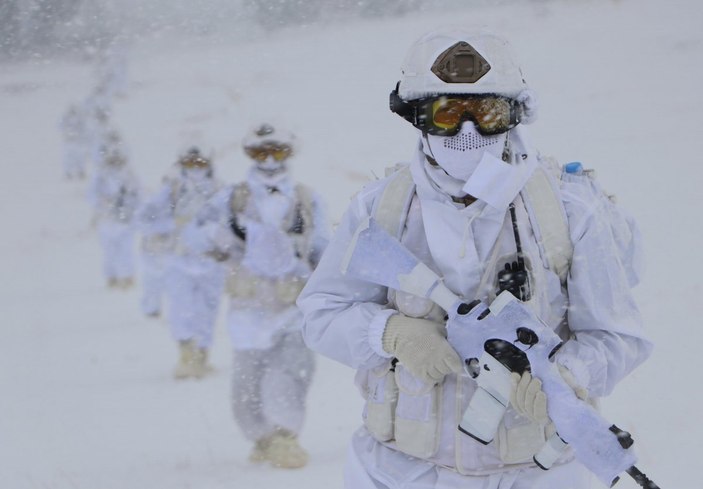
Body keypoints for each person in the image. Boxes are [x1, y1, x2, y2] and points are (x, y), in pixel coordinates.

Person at [297, 29, 653, 488]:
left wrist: (564, 377)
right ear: (417, 117)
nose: (467, 133)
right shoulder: (382, 209)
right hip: (396, 470)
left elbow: (619, 336)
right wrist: (389, 332)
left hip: (533, 476)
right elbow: (321, 313)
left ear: (513, 115)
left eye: (485, 112)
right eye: (446, 114)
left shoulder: (565, 210)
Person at [185, 123, 328, 468]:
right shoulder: (231, 199)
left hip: (292, 308)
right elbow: (196, 236)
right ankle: (261, 438)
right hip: (247, 311)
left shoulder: (306, 199)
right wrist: (228, 238)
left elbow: (325, 250)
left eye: (276, 152)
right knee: (247, 387)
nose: (268, 161)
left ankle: (285, 437)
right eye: (260, 153)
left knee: (290, 373)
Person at [141, 147, 225, 379]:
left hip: (211, 262)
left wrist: (215, 235)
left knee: (208, 309)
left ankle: (203, 355)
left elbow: (232, 224)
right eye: (190, 163)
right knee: (181, 309)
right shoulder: (172, 190)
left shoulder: (220, 190)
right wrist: (172, 226)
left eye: (200, 163)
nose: (195, 168)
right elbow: (145, 218)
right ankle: (186, 355)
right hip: (179, 260)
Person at [87, 144, 140, 288]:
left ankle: (128, 277)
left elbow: (138, 197)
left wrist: (130, 207)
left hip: (126, 221)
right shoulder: (100, 176)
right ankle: (111, 278)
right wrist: (103, 202)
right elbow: (91, 196)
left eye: (118, 158)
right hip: (107, 220)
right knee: (109, 251)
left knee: (126, 251)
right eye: (113, 158)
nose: (115, 161)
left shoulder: (129, 175)